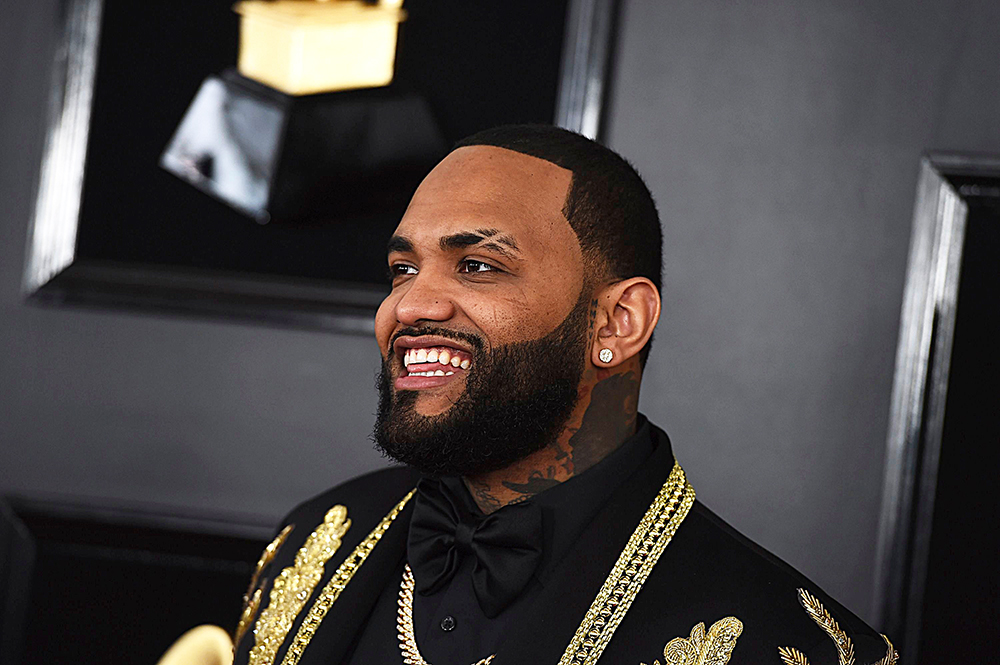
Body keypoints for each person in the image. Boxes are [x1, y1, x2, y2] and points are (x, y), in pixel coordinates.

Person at [230, 125, 897, 665]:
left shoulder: (796, 648)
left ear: (617, 323)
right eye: (402, 268)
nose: (410, 304)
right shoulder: (316, 538)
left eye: (479, 265)